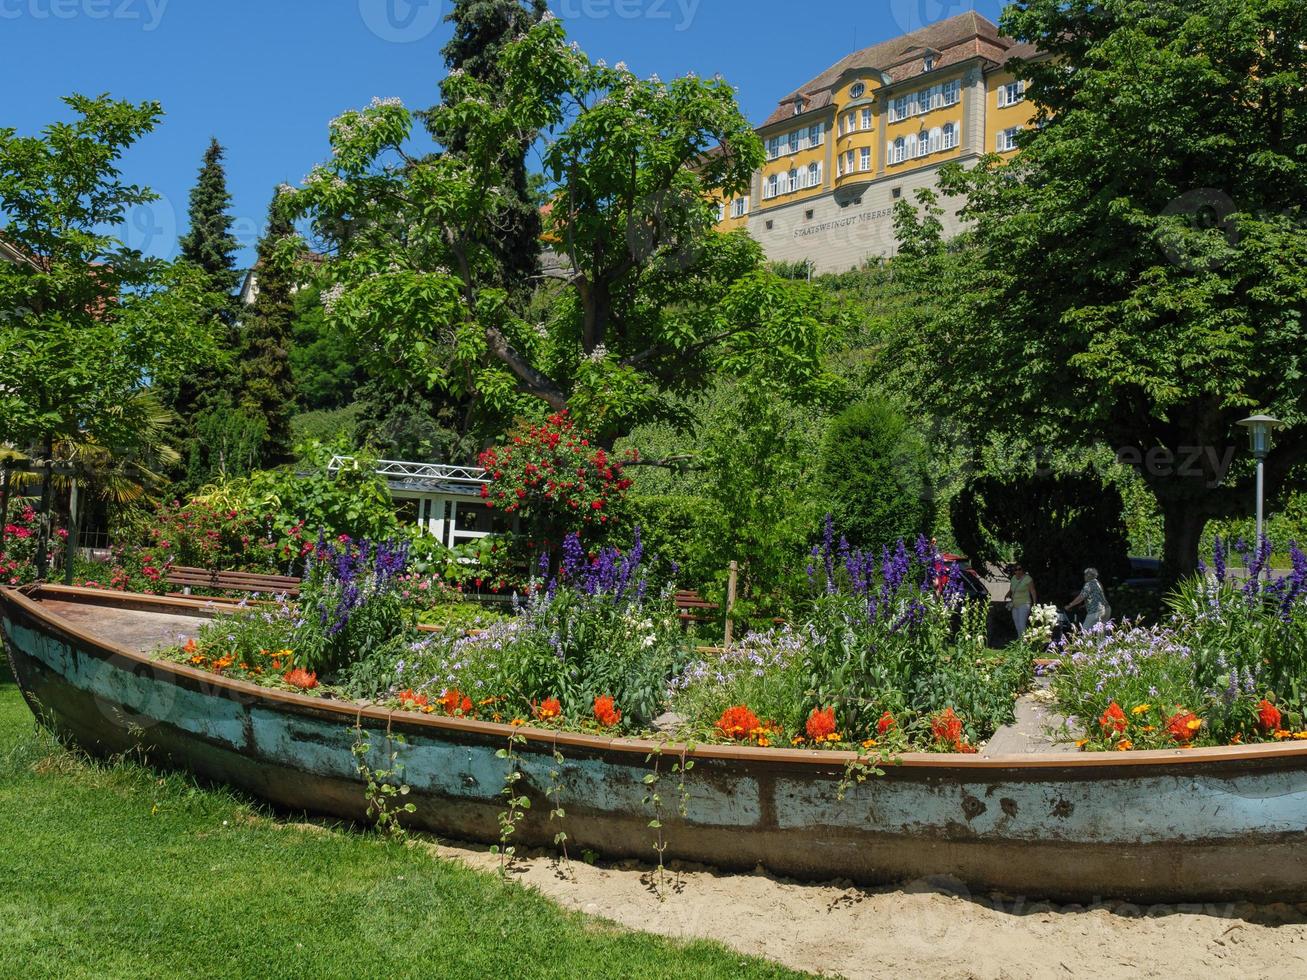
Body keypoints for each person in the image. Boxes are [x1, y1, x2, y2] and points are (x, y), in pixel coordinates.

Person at [1004, 563, 1037, 638]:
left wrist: (1034, 603)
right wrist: (1007, 594)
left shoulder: (1028, 579)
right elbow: (1011, 589)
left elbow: (1033, 591)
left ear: (1023, 570)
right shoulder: (1013, 578)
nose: (1018, 571)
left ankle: (1024, 643)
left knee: (1022, 624)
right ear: (1014, 571)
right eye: (1016, 570)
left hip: (1024, 603)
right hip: (1014, 604)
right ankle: (1020, 642)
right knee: (1017, 624)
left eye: (1019, 569)